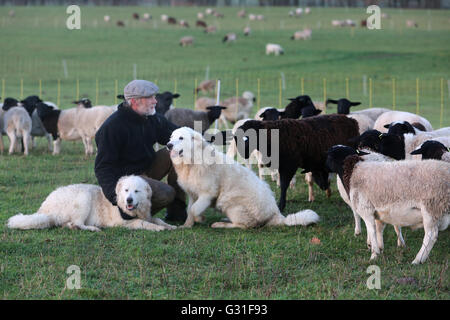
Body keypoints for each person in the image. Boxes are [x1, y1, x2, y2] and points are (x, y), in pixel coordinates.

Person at [94, 79, 187, 222]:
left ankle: (177, 211)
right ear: (134, 102)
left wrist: (215, 137)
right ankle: (133, 215)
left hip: (147, 168)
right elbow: (103, 167)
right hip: (128, 180)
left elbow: (179, 135)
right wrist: (117, 199)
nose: (155, 101)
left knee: (181, 150)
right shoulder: (112, 128)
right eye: (150, 97)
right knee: (167, 193)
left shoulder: (151, 118)